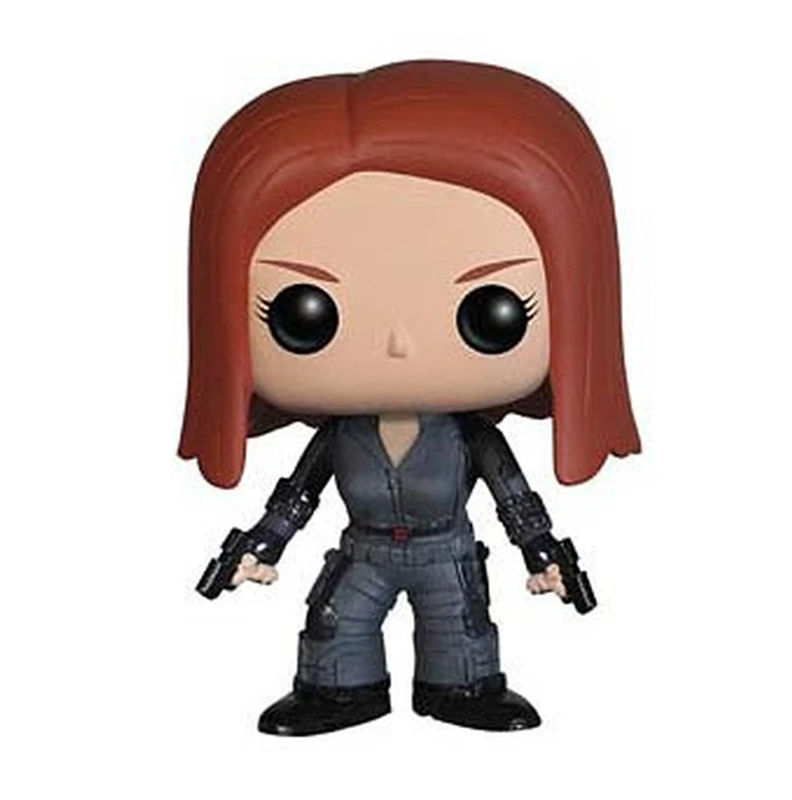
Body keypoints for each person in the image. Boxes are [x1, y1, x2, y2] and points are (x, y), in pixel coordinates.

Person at [179, 60, 640, 735]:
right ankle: (340, 691)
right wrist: (262, 547)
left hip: (444, 552)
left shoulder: (467, 437)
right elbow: (297, 496)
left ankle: (463, 688)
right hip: (364, 551)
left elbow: (514, 497)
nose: (398, 343)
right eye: (305, 314)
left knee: (460, 627)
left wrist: (542, 553)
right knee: (336, 622)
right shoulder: (341, 436)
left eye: (491, 310)